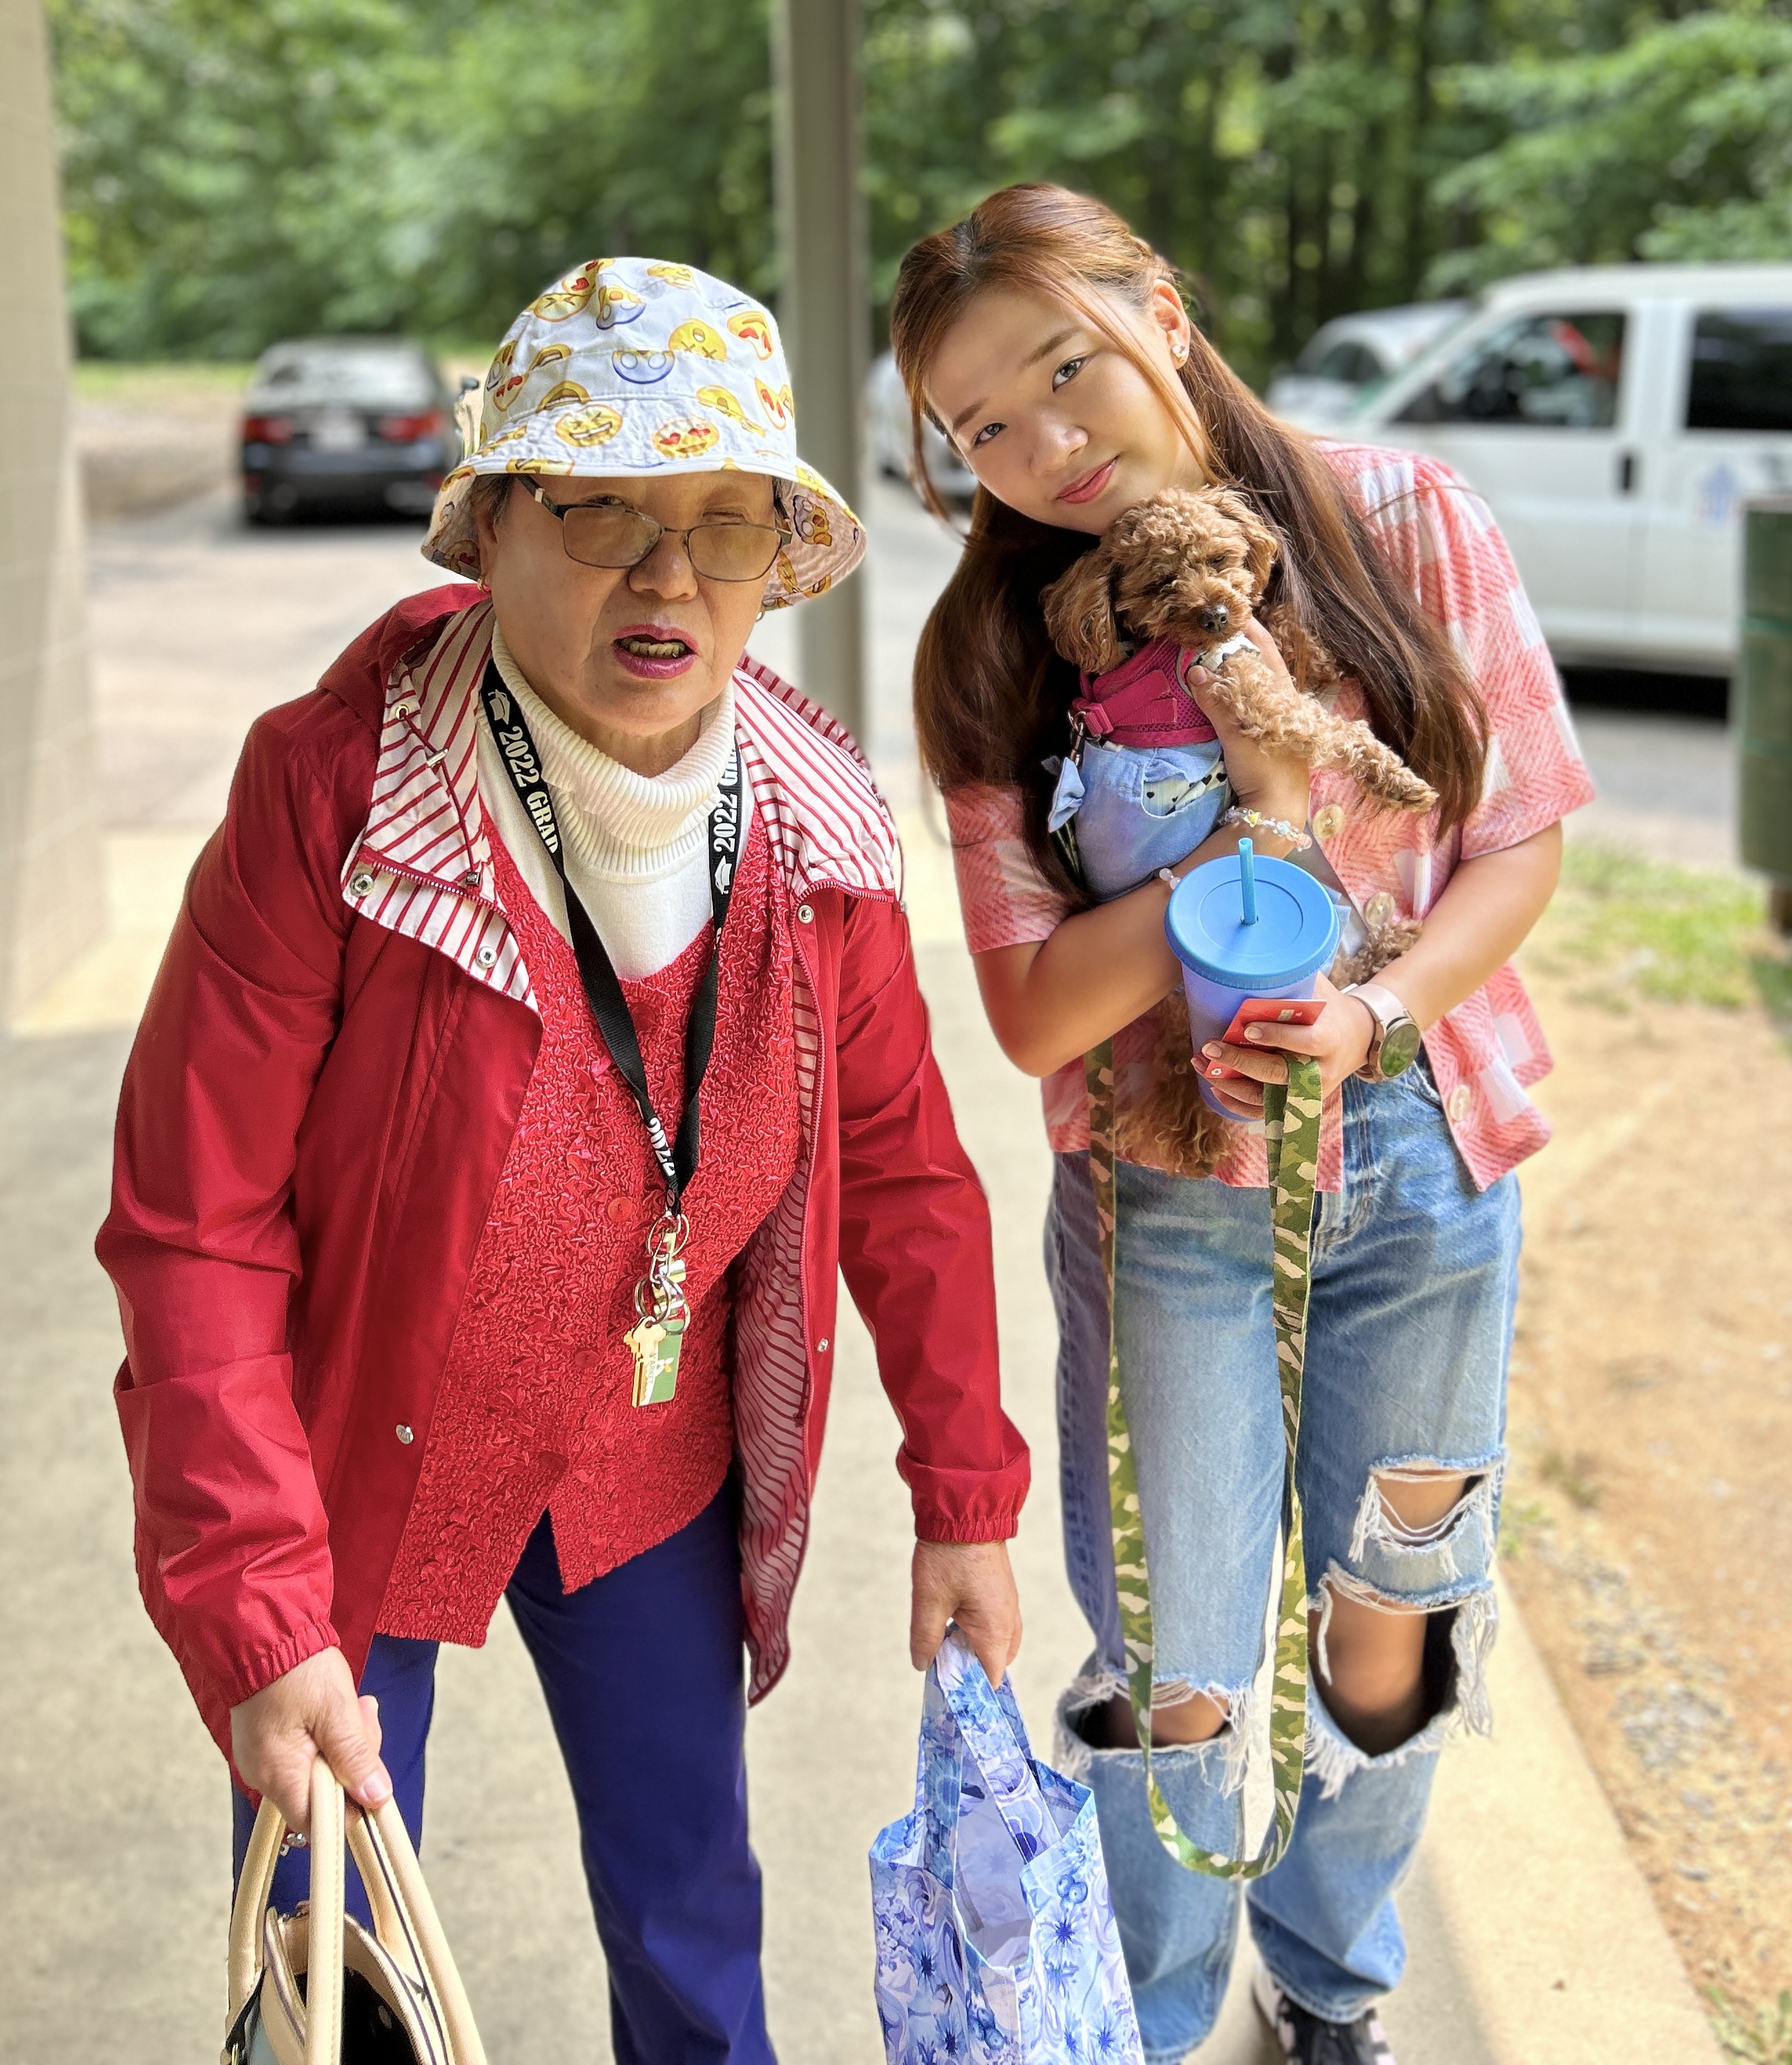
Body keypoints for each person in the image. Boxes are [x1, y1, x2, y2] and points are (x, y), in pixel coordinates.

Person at [99, 256, 1029, 2065]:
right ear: (494, 528)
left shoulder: (817, 823)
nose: (667, 575)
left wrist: (966, 1490)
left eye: (725, 522)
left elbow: (908, 1167)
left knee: (692, 1914)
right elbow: (192, 1224)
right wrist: (261, 1611)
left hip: (644, 1455)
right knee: (334, 1951)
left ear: (781, 558)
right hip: (366, 1457)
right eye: (602, 508)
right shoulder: (339, 791)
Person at [889, 187, 1592, 2065]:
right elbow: (1037, 1010)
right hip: (1170, 1202)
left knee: (1397, 1609)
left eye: (1069, 370)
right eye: (983, 427)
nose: (1046, 447)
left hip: (1424, 1167)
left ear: (1167, 316)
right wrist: (1253, 829)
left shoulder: (1403, 522)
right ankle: (1150, 2010)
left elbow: (1518, 839)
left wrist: (1371, 1014)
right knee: (1179, 1656)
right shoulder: (995, 651)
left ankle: (1333, 1976)